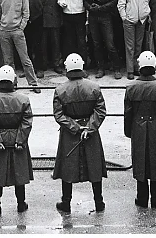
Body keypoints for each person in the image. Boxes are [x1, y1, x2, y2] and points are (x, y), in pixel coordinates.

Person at [52, 53, 107, 213]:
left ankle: (66, 202)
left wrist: (75, 127)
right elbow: (100, 110)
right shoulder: (94, 87)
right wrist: (89, 128)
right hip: (91, 132)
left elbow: (59, 115)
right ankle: (99, 201)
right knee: (94, 166)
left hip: (70, 133)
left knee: (67, 167)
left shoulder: (60, 90)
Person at [124, 51, 156, 208]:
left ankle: (142, 197)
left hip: (138, 127)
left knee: (140, 161)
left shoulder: (131, 88)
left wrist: (128, 131)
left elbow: (128, 113)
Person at [0, 65, 34, 214]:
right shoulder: (23, 99)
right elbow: (27, 122)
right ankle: (21, 203)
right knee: (19, 173)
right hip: (17, 139)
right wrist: (20, 140)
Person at [0, 0, 39, 89]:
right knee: (8, 61)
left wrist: (21, 27)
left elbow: (26, 13)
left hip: (17, 31)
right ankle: (12, 84)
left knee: (25, 59)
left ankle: (33, 83)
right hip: (4, 31)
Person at [83, 0, 121, 78]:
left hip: (106, 15)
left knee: (110, 43)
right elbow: (85, 0)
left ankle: (116, 68)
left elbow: (114, 1)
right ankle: (100, 68)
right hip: (93, 15)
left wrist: (101, 8)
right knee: (96, 43)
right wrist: (90, 8)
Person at [118, 0, 151, 79]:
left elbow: (147, 1)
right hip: (129, 20)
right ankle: (130, 70)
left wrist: (146, 13)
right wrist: (124, 17)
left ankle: (137, 68)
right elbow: (121, 3)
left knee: (138, 45)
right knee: (130, 46)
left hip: (142, 20)